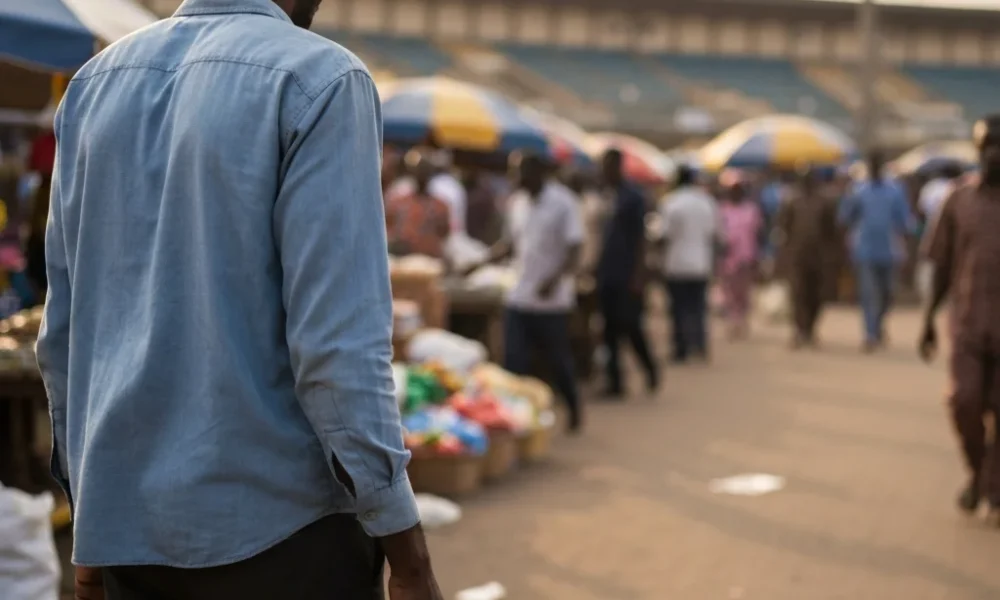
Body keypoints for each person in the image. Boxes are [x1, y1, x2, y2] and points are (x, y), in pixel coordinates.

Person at [35, 0, 443, 598]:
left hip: (129, 539)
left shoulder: (95, 86)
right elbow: (338, 356)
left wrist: (92, 538)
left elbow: (63, 339)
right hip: (282, 539)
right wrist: (410, 558)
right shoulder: (323, 79)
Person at [920, 115, 1000, 523]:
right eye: (988, 145)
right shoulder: (958, 200)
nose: (995, 154)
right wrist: (928, 320)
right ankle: (980, 473)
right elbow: (941, 264)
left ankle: (991, 489)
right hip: (968, 324)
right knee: (963, 402)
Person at [474, 154, 584, 431]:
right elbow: (510, 244)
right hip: (520, 295)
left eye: (519, 172)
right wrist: (478, 262)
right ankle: (517, 425)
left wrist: (555, 279)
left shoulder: (564, 202)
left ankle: (573, 410)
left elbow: (575, 249)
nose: (514, 178)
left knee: (558, 361)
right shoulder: (517, 203)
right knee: (513, 362)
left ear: (537, 172)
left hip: (552, 302)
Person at [838, 151, 915, 352]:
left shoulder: (895, 191)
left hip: (890, 250)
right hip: (865, 249)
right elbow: (845, 218)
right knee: (869, 292)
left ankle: (879, 324)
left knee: (888, 293)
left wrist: (908, 239)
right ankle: (870, 334)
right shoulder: (858, 190)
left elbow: (904, 220)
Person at [597, 149, 659, 396]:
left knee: (631, 326)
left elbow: (641, 240)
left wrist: (638, 276)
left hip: (627, 273)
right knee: (609, 330)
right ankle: (615, 383)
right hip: (607, 272)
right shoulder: (606, 196)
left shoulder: (633, 197)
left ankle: (650, 368)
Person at [659, 164, 718, 364]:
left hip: (676, 264)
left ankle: (681, 348)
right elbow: (713, 234)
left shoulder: (671, 202)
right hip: (700, 263)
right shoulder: (706, 202)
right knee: (698, 308)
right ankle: (699, 345)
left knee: (678, 309)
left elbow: (663, 235)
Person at [776, 167, 841, 348]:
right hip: (797, 256)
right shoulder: (792, 202)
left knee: (816, 295)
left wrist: (834, 255)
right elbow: (784, 230)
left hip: (819, 257)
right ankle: (800, 329)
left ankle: (810, 329)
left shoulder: (825, 203)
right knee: (798, 294)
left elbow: (832, 231)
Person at [385, 151, 452, 259]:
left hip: (429, 260)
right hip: (401, 258)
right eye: (420, 171)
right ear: (414, 174)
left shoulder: (440, 205)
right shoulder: (399, 201)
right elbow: (389, 227)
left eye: (425, 172)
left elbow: (444, 234)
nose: (422, 175)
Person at [718, 181, 761, 340]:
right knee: (729, 292)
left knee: (743, 293)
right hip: (728, 258)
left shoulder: (751, 211)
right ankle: (732, 321)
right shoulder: (722, 210)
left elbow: (758, 233)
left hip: (747, 256)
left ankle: (741, 322)